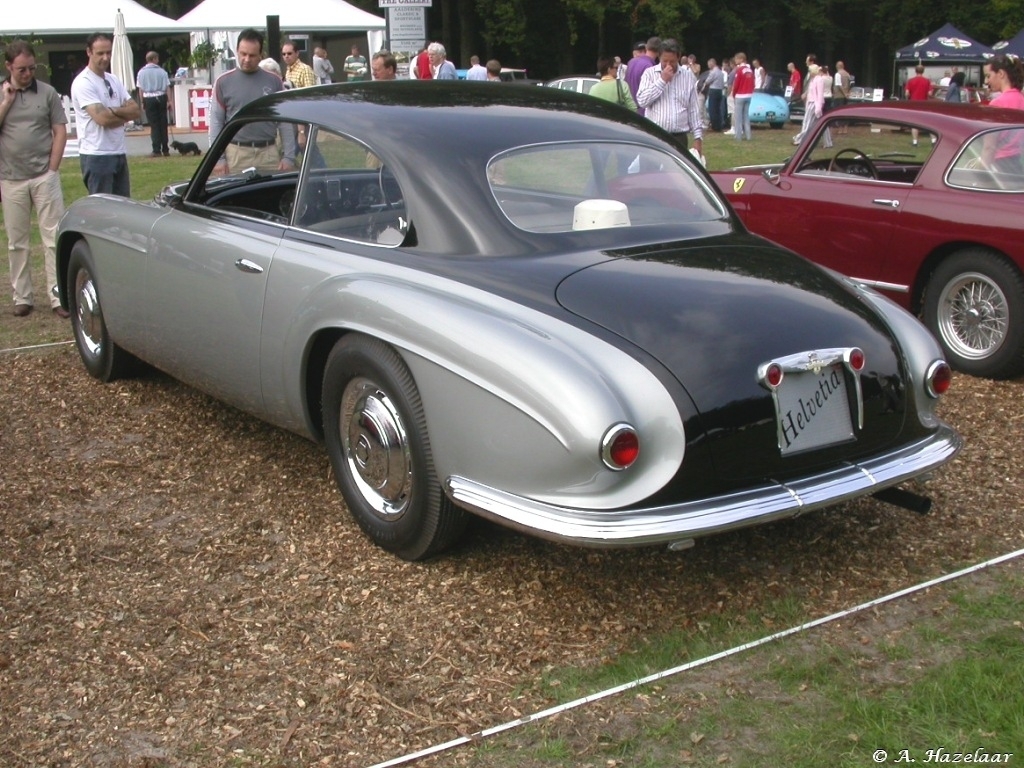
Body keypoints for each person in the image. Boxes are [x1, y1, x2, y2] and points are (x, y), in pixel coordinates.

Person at [0, 40, 69, 318]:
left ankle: (57, 296)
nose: (28, 74)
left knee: (53, 238)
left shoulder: (48, 93)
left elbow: (60, 131)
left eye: (32, 68)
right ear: (8, 67)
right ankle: (22, 297)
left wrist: (52, 168)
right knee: (17, 242)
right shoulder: (2, 93)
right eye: (21, 70)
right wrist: (7, 101)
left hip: (44, 176)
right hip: (11, 178)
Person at [209, 28, 295, 176]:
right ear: (236, 51)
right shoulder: (223, 82)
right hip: (235, 155)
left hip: (268, 155)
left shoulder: (274, 82)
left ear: (261, 55)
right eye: (243, 54)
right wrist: (218, 159)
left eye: (252, 55)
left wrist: (289, 157)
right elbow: (216, 122)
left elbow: (285, 122)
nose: (247, 59)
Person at [71, 32, 140, 196]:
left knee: (123, 209)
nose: (105, 57)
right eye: (100, 53)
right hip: (97, 155)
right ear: (89, 52)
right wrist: (123, 115)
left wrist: (113, 111)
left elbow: (136, 110)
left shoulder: (113, 79)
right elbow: (102, 119)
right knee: (103, 212)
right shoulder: (83, 82)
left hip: (118, 152)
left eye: (108, 52)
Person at [636, 38, 703, 157]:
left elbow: (693, 109)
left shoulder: (687, 76)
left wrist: (698, 138)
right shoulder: (649, 74)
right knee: (652, 173)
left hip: (679, 137)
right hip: (655, 135)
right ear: (659, 57)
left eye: (672, 61)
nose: (668, 65)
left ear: (678, 57)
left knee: (676, 174)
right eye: (664, 61)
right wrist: (662, 81)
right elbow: (642, 101)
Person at [980, 55, 1024, 174]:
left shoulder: (997, 103)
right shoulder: (1022, 99)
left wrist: (981, 170)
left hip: (999, 164)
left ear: (1000, 73)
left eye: (988, 76)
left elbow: (989, 147)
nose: (986, 81)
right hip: (1017, 163)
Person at [136, 50, 171, 157]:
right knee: (163, 124)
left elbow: (140, 89)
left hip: (148, 98)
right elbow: (167, 87)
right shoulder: (162, 72)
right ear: (154, 59)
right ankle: (165, 149)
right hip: (161, 97)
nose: (158, 60)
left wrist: (142, 102)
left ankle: (156, 149)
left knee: (154, 125)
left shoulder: (141, 72)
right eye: (157, 58)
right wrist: (169, 101)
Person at [792, 64, 828, 146]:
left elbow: (820, 94)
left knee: (807, 123)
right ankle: (827, 142)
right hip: (811, 103)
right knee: (820, 123)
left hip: (815, 104)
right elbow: (810, 93)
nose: (809, 73)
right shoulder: (813, 79)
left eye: (810, 71)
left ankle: (799, 139)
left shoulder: (819, 80)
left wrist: (818, 107)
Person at [625, 37, 659, 116]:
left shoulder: (631, 62)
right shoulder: (650, 67)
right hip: (642, 112)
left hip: (629, 109)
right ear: (659, 52)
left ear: (646, 47)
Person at [905, 65, 934, 145]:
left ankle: (915, 142)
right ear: (923, 71)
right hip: (924, 104)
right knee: (929, 122)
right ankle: (933, 140)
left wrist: (908, 97)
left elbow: (907, 93)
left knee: (914, 123)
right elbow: (930, 94)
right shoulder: (927, 81)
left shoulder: (910, 81)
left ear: (915, 71)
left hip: (913, 104)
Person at [730, 52, 754, 141]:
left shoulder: (739, 70)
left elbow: (736, 84)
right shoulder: (750, 70)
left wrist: (734, 93)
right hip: (749, 95)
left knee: (738, 117)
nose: (735, 61)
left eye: (736, 59)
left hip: (740, 95)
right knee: (746, 116)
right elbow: (753, 83)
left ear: (741, 59)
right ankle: (748, 136)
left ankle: (738, 136)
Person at [704, 58, 725, 132]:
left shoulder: (713, 72)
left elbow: (707, 81)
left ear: (712, 63)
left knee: (712, 109)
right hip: (720, 91)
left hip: (713, 90)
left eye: (709, 64)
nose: (708, 66)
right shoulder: (721, 72)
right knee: (718, 109)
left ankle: (714, 126)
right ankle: (719, 125)